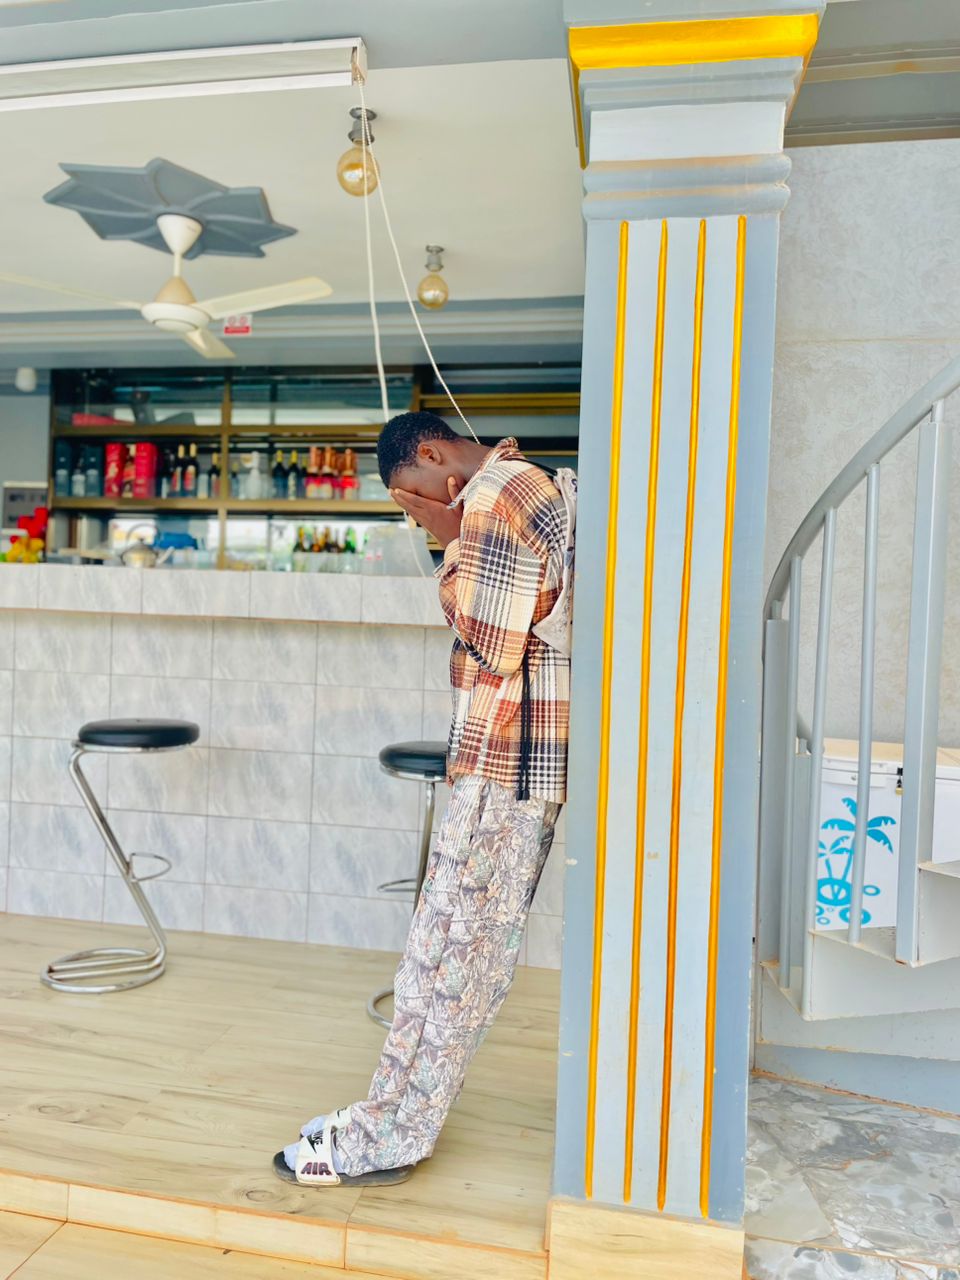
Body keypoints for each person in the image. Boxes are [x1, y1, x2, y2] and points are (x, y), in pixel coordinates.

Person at [274, 411, 570, 1188]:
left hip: (507, 760)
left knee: (454, 961)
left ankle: (389, 1136)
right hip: (510, 761)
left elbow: (494, 645)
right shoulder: (518, 488)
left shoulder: (496, 497)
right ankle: (386, 1117)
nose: (419, 516)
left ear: (435, 456)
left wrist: (451, 544)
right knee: (446, 953)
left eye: (414, 500)